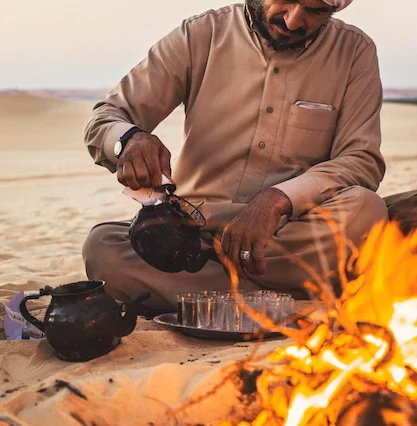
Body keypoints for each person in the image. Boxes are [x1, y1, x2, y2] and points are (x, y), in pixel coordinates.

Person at [82, 0, 388, 312]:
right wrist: (129, 139)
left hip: (286, 235)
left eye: (315, 10)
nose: (294, 21)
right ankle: (285, 297)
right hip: (193, 239)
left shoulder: (354, 52)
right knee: (103, 247)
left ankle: (206, 297)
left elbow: (360, 159)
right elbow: (106, 118)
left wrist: (278, 199)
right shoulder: (201, 35)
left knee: (365, 210)